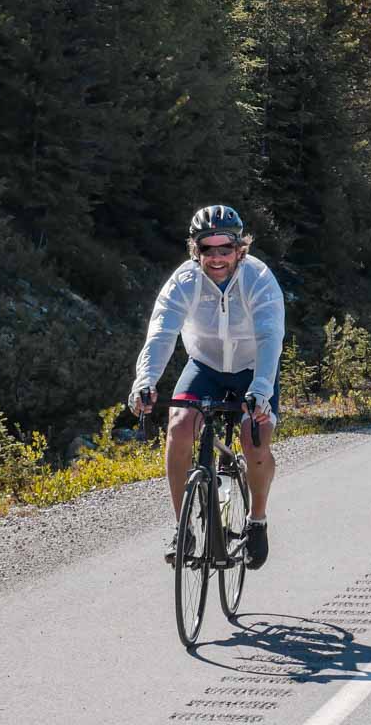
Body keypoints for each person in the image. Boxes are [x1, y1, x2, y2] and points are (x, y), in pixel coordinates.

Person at [129, 205, 284, 570]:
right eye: (206, 249)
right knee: (179, 426)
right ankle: (184, 527)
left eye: (224, 249)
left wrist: (261, 389)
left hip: (252, 368)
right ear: (194, 251)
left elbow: (269, 336)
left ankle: (257, 521)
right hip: (205, 366)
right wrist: (146, 380)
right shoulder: (184, 282)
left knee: (254, 435)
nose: (216, 258)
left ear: (239, 249)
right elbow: (162, 333)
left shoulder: (259, 278)